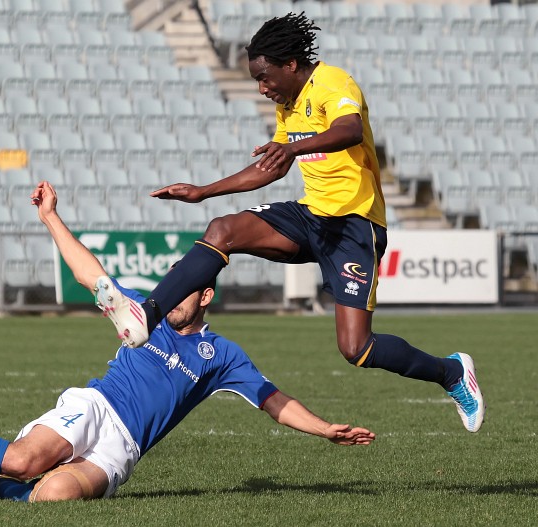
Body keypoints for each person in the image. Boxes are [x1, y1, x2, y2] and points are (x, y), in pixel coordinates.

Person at [0, 181, 375, 503]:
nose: (173, 289)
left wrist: (324, 429)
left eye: (186, 283)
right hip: (96, 407)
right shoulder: (145, 314)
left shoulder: (222, 356)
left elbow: (273, 402)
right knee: (26, 461)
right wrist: (51, 217)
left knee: (52, 496)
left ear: (206, 292)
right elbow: (89, 273)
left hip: (124, 448)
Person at [92, 13, 484, 433]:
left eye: (265, 77)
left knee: (357, 349)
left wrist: (296, 149)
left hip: (354, 226)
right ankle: (147, 314)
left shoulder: (334, 82)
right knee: (222, 230)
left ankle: (452, 373)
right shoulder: (288, 104)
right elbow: (273, 167)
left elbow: (349, 130)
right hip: (310, 216)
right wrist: (204, 190)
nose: (262, 88)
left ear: (291, 65)